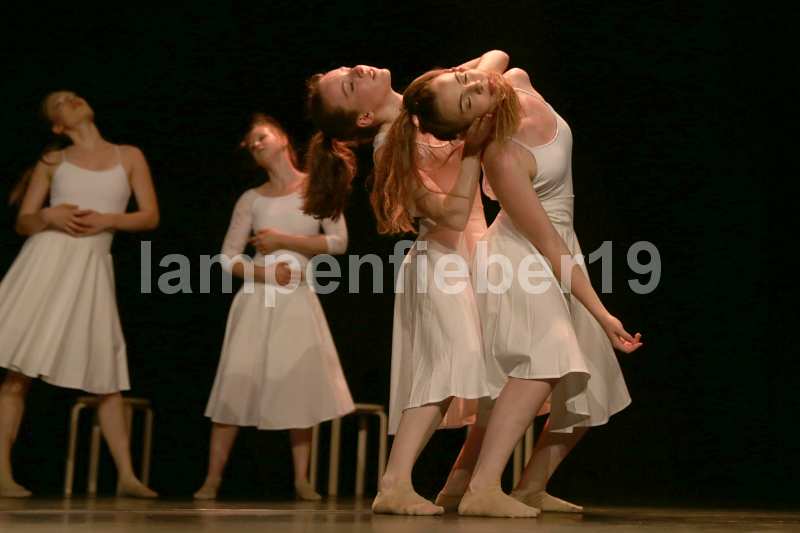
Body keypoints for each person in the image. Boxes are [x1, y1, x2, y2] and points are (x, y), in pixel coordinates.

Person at [391, 64, 643, 517]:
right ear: (472, 125)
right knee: (546, 358)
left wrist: (458, 82)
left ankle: (521, 486)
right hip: (520, 261)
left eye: (464, 77)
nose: (477, 84)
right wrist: (602, 313)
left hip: (561, 250)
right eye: (467, 99)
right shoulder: (502, 155)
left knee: (592, 383)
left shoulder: (516, 81)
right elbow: (546, 241)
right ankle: (482, 488)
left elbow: (498, 57)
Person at [306, 51, 507, 515]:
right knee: (451, 366)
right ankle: (393, 484)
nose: (358, 70)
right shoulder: (388, 146)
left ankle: (461, 484)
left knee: (493, 372)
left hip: (480, 251)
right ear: (363, 116)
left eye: (349, 69)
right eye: (350, 84)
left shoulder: (428, 98)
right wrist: (471, 147)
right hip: (441, 261)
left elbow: (497, 57)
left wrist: (465, 90)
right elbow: (449, 215)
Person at [0, 91, 159, 498]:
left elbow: (149, 216)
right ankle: (2, 472)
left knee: (105, 372)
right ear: (57, 126)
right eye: (59, 103)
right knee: (18, 371)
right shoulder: (53, 161)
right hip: (45, 264)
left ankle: (127, 476)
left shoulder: (129, 156)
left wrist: (108, 219)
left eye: (72, 96)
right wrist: (47, 215)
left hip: (91, 268)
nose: (70, 100)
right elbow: (23, 222)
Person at [194, 114, 354, 501]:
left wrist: (285, 240)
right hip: (257, 297)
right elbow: (227, 257)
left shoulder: (316, 188)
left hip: (297, 296)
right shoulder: (251, 199)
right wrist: (264, 273)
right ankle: (212, 478)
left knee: (298, 380)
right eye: (251, 144)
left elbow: (338, 242)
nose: (256, 145)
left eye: (261, 137)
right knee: (237, 379)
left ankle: (302, 479)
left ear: (282, 138)